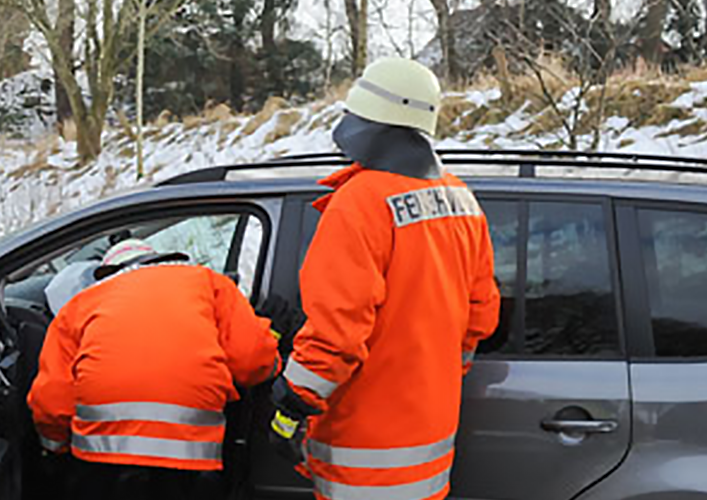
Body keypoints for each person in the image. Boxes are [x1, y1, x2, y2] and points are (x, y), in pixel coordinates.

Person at [269, 57, 500, 500]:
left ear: (369, 120)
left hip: (364, 449)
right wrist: (440, 369)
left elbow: (336, 331)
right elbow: (480, 315)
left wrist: (293, 400)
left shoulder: (360, 203)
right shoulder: (461, 200)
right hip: (430, 445)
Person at [28, 239, 278, 500]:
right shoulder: (210, 283)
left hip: (102, 459)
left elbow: (52, 399)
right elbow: (252, 361)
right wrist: (276, 365)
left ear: (110, 272)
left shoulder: (80, 305)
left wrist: (54, 450)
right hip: (188, 456)